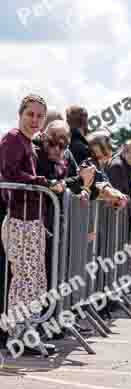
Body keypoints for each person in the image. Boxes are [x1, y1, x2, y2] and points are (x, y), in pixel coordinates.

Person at [0, 94, 66, 355]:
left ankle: (28, 332)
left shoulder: (28, 142)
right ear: (20, 114)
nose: (35, 120)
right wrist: (40, 181)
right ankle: (16, 335)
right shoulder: (13, 138)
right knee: (24, 279)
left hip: (32, 219)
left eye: (39, 116)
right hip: (18, 219)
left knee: (35, 279)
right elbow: (9, 174)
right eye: (30, 114)